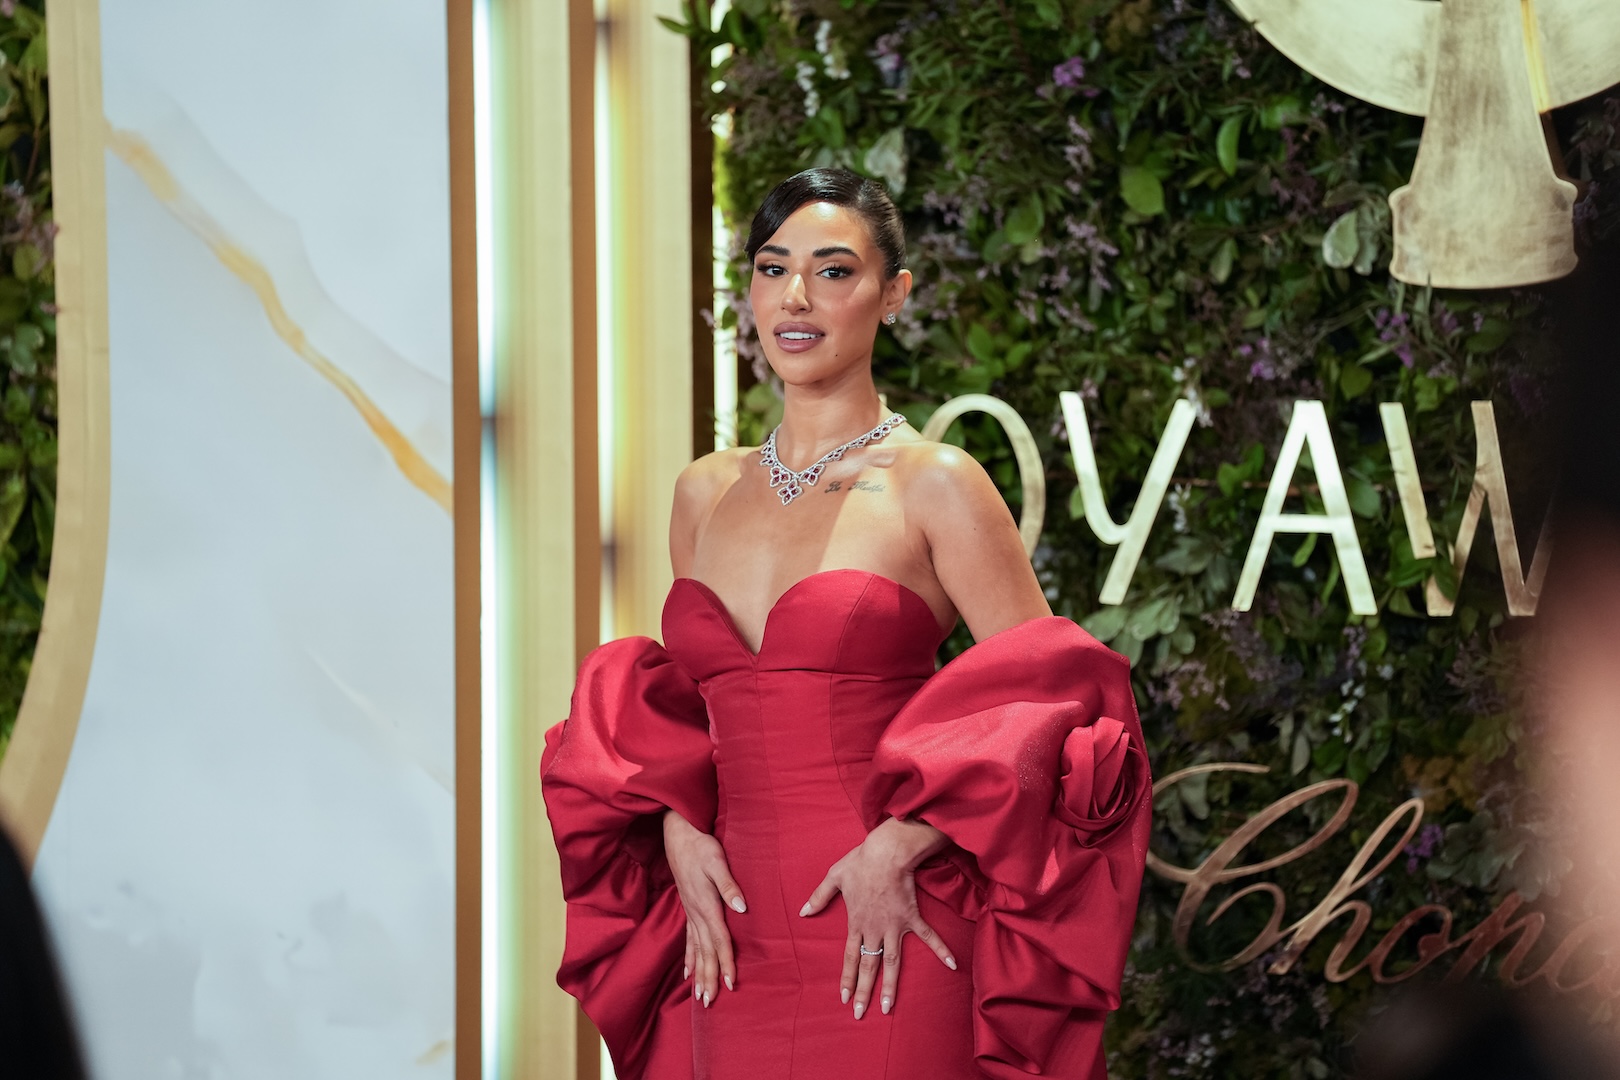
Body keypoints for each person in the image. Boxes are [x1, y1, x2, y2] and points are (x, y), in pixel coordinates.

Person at [542, 167, 1151, 1080]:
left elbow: (1057, 709)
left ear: (893, 294)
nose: (796, 297)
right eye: (772, 268)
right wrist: (675, 826)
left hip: (892, 927)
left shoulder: (935, 482)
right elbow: (688, 713)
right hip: (728, 941)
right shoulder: (704, 492)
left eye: (833, 271)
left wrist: (904, 843)